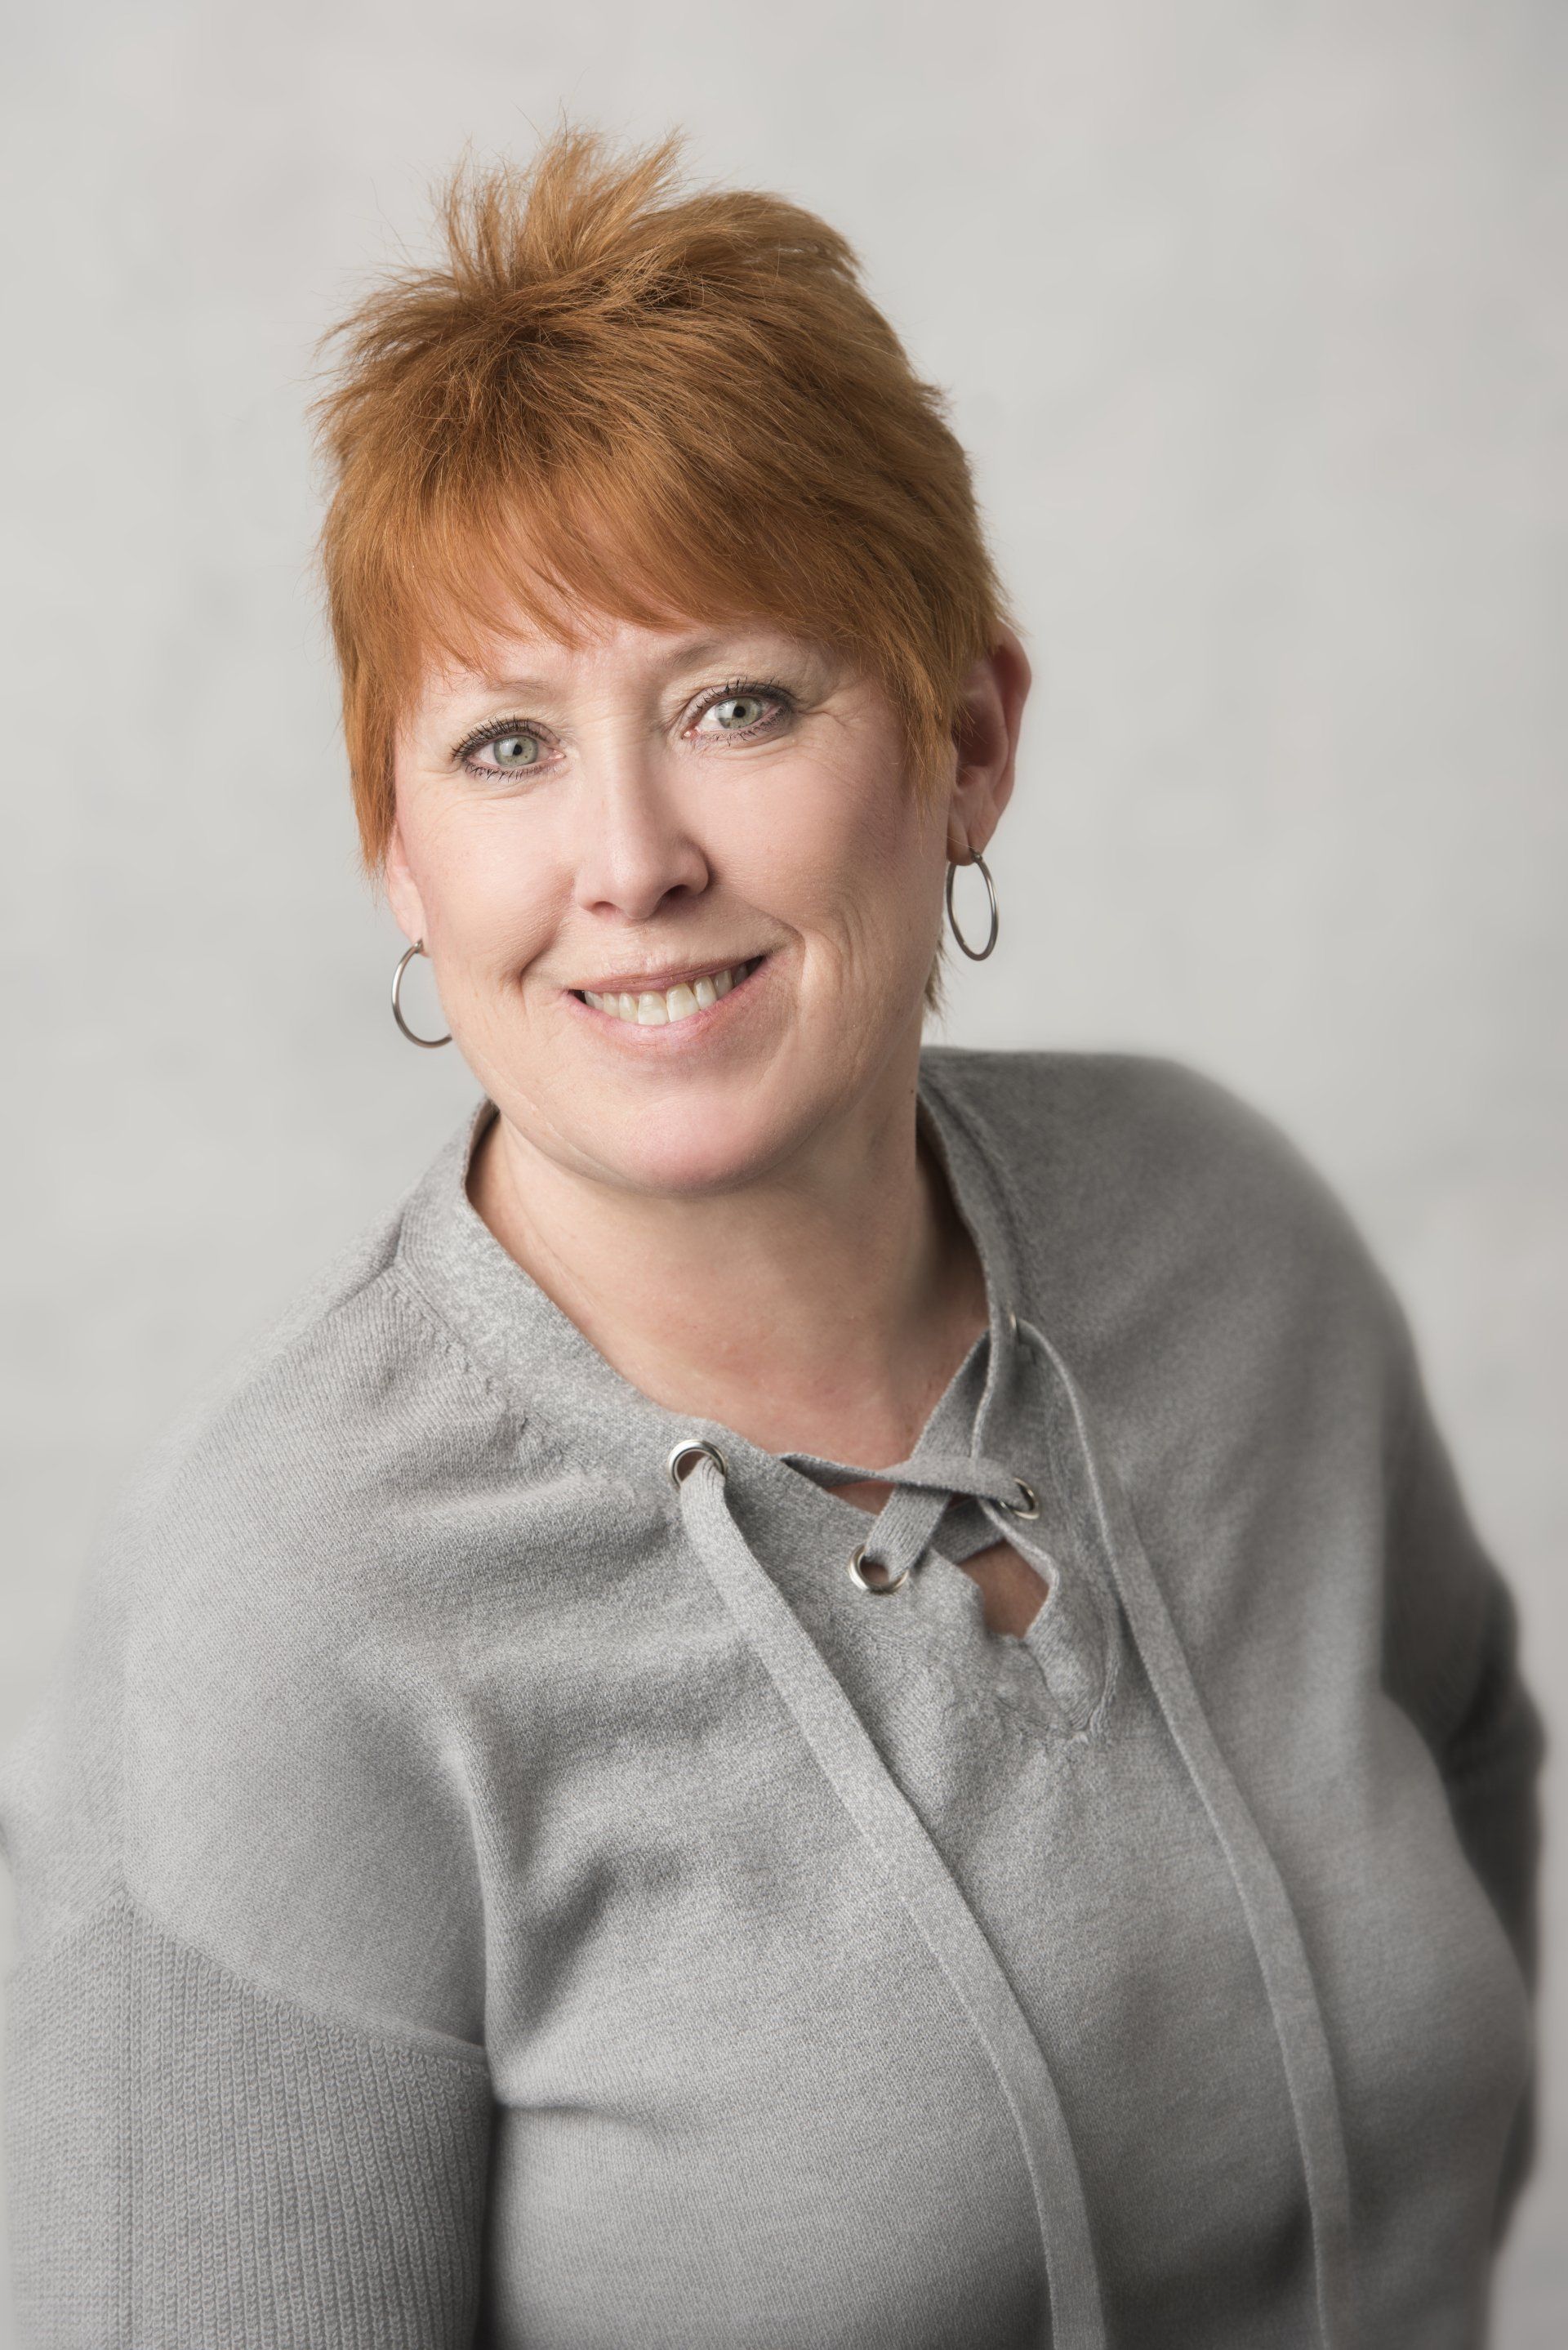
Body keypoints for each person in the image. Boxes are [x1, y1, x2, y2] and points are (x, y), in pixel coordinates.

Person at [0, 124, 1544, 2350]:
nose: (628, 860)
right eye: (509, 744)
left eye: (740, 703)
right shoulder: (288, 1615)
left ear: (967, 736)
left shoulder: (1235, 1250)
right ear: (399, 859)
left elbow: (1475, 1816)